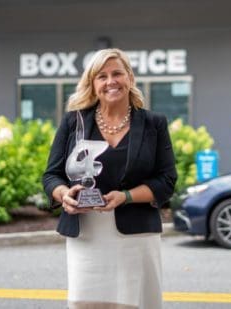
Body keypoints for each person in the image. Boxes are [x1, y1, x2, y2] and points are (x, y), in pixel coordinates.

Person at [42, 48, 178, 309]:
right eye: (102, 76)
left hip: (137, 236)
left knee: (136, 303)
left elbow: (167, 180)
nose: (110, 81)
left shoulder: (154, 123)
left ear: (130, 77)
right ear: (92, 84)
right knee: (88, 304)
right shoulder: (74, 122)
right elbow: (51, 175)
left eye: (117, 73)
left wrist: (125, 197)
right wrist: (63, 194)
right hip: (87, 235)